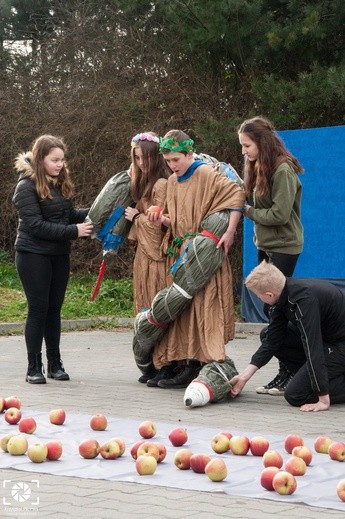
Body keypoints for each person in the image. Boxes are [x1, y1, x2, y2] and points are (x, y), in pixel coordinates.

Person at [146, 129, 245, 389]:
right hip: (182, 253)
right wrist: (161, 217)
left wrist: (231, 231)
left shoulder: (204, 173)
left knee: (204, 307)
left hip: (204, 253)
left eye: (176, 160)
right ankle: (186, 365)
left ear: (190, 153)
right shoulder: (171, 181)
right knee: (184, 311)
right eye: (167, 161)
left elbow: (236, 196)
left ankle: (204, 365)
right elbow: (175, 220)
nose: (172, 166)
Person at [13, 134, 93, 384]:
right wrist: (75, 231)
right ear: (40, 159)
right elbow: (36, 225)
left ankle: (55, 365)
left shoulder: (60, 184)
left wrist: (98, 211)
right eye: (54, 160)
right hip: (32, 254)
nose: (59, 165)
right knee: (38, 309)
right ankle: (33, 368)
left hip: (59, 254)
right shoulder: (25, 186)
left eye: (62, 160)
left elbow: (69, 215)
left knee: (54, 311)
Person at [239, 115, 304, 396]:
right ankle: (288, 368)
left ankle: (294, 368)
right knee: (271, 311)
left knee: (277, 312)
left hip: (284, 247)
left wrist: (248, 212)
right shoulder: (257, 167)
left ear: (261, 143)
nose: (244, 151)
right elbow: (250, 199)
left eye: (247, 146)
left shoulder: (282, 170)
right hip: (264, 246)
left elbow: (279, 214)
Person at [230, 261, 345, 412]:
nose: (258, 299)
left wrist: (323, 399)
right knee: (267, 334)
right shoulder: (283, 294)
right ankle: (309, 379)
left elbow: (313, 348)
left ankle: (318, 385)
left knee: (295, 394)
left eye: (258, 296)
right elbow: (272, 340)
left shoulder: (304, 302)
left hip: (338, 345)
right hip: (326, 342)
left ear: (269, 294)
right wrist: (244, 377)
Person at [124, 132, 172, 385]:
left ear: (155, 157)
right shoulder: (142, 182)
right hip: (143, 257)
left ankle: (166, 364)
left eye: (145, 157)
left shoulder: (162, 184)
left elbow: (159, 227)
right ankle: (152, 362)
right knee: (144, 306)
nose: (141, 163)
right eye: (136, 158)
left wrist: (136, 218)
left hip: (157, 258)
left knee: (157, 309)